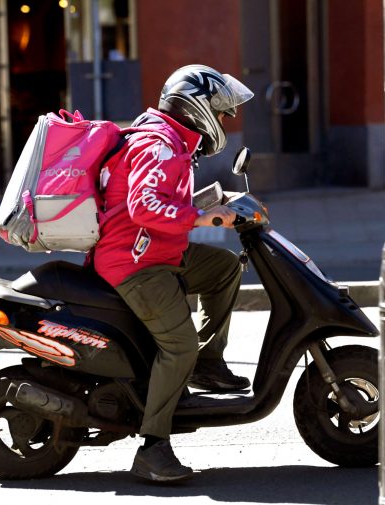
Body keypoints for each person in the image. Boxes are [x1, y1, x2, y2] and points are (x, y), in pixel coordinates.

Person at [93, 64, 254, 482]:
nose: (223, 122)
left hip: (161, 250)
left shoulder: (172, 139)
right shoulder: (159, 143)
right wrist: (202, 218)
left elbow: (160, 196)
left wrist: (212, 205)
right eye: (220, 113)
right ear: (196, 107)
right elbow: (143, 206)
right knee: (178, 344)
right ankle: (153, 448)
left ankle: (207, 364)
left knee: (222, 267)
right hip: (134, 262)